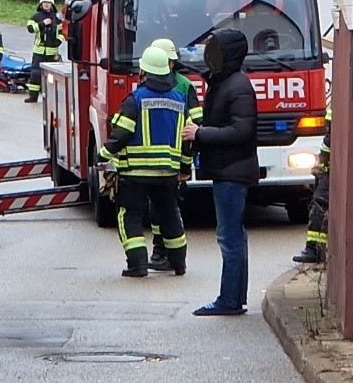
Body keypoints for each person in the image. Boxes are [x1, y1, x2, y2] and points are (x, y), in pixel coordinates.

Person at [184, 28, 256, 315]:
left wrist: (200, 134)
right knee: (233, 236)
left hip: (232, 171)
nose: (208, 55)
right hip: (227, 168)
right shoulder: (223, 82)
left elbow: (242, 130)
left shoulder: (236, 85)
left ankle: (229, 300)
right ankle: (233, 298)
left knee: (230, 237)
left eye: (214, 50)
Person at [103, 45, 189, 278]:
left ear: (143, 72)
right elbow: (186, 138)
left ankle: (137, 265)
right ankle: (178, 264)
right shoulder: (179, 100)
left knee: (129, 215)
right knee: (169, 214)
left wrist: (103, 155)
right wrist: (184, 167)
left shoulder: (135, 99)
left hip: (136, 173)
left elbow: (121, 133)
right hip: (167, 173)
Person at [146, 37, 201, 272]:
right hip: (157, 158)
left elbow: (193, 126)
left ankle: (165, 253)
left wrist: (185, 166)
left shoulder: (183, 86)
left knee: (167, 208)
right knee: (158, 207)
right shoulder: (152, 85)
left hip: (173, 157)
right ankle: (162, 252)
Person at [293, 106, 330, 264]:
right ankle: (316, 249)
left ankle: (314, 249)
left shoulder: (330, 137)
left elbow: (326, 152)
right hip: (329, 174)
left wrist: (322, 165)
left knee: (319, 208)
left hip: (329, 177)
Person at [25, 0, 63, 103]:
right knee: (35, 74)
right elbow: (30, 28)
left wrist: (58, 41)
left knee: (53, 76)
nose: (46, 5)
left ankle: (52, 98)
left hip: (52, 52)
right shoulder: (36, 16)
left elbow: (62, 32)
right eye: (44, 3)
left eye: (49, 3)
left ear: (52, 4)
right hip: (39, 51)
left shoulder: (57, 18)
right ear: (41, 4)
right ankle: (33, 96)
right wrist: (42, 24)